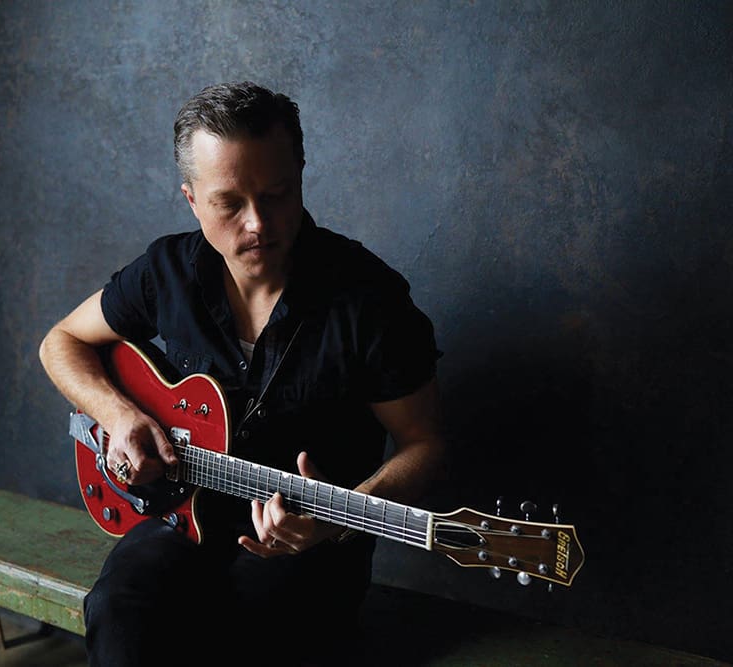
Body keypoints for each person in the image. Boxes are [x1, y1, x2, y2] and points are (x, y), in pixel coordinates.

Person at [39, 81, 446, 667]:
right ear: (192, 200)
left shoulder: (371, 300)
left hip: (307, 550)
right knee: (117, 610)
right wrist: (118, 415)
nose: (258, 223)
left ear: (300, 176)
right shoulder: (166, 271)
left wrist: (339, 518)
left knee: (242, 635)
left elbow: (425, 445)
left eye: (277, 195)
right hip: (178, 515)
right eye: (229, 203)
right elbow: (62, 341)